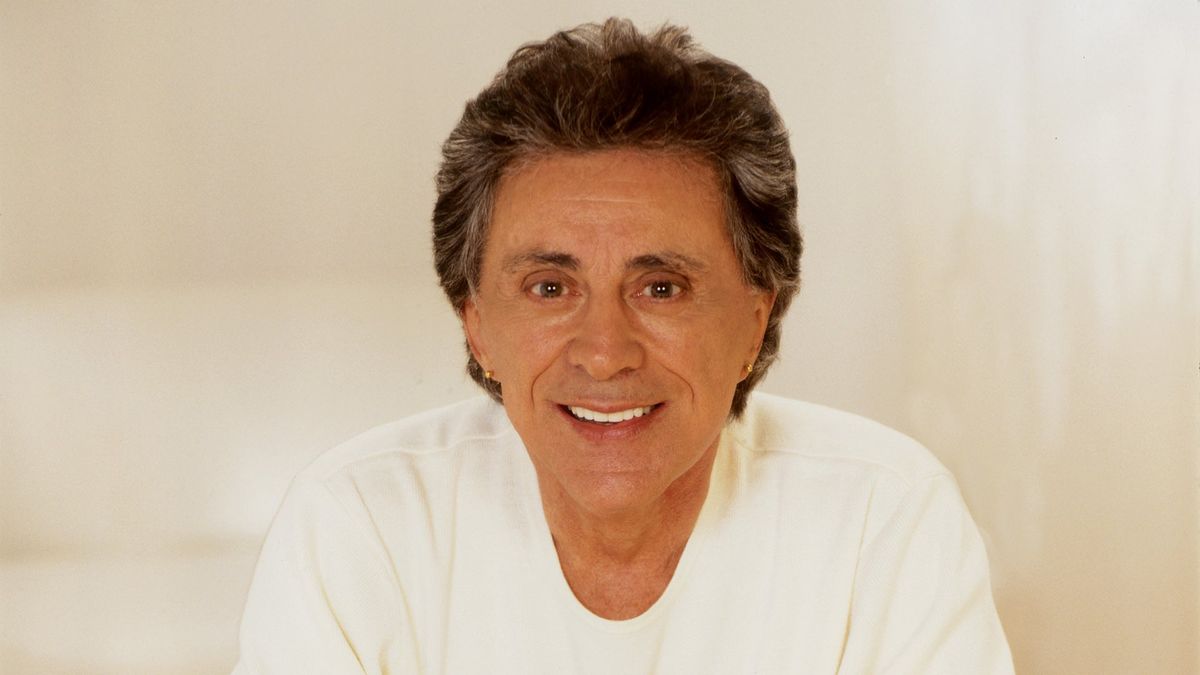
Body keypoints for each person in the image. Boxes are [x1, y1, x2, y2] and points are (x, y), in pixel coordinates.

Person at [234, 18, 1013, 674]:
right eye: (549, 287)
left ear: (754, 319)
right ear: (475, 322)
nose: (605, 353)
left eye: (661, 287)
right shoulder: (358, 526)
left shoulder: (884, 520)